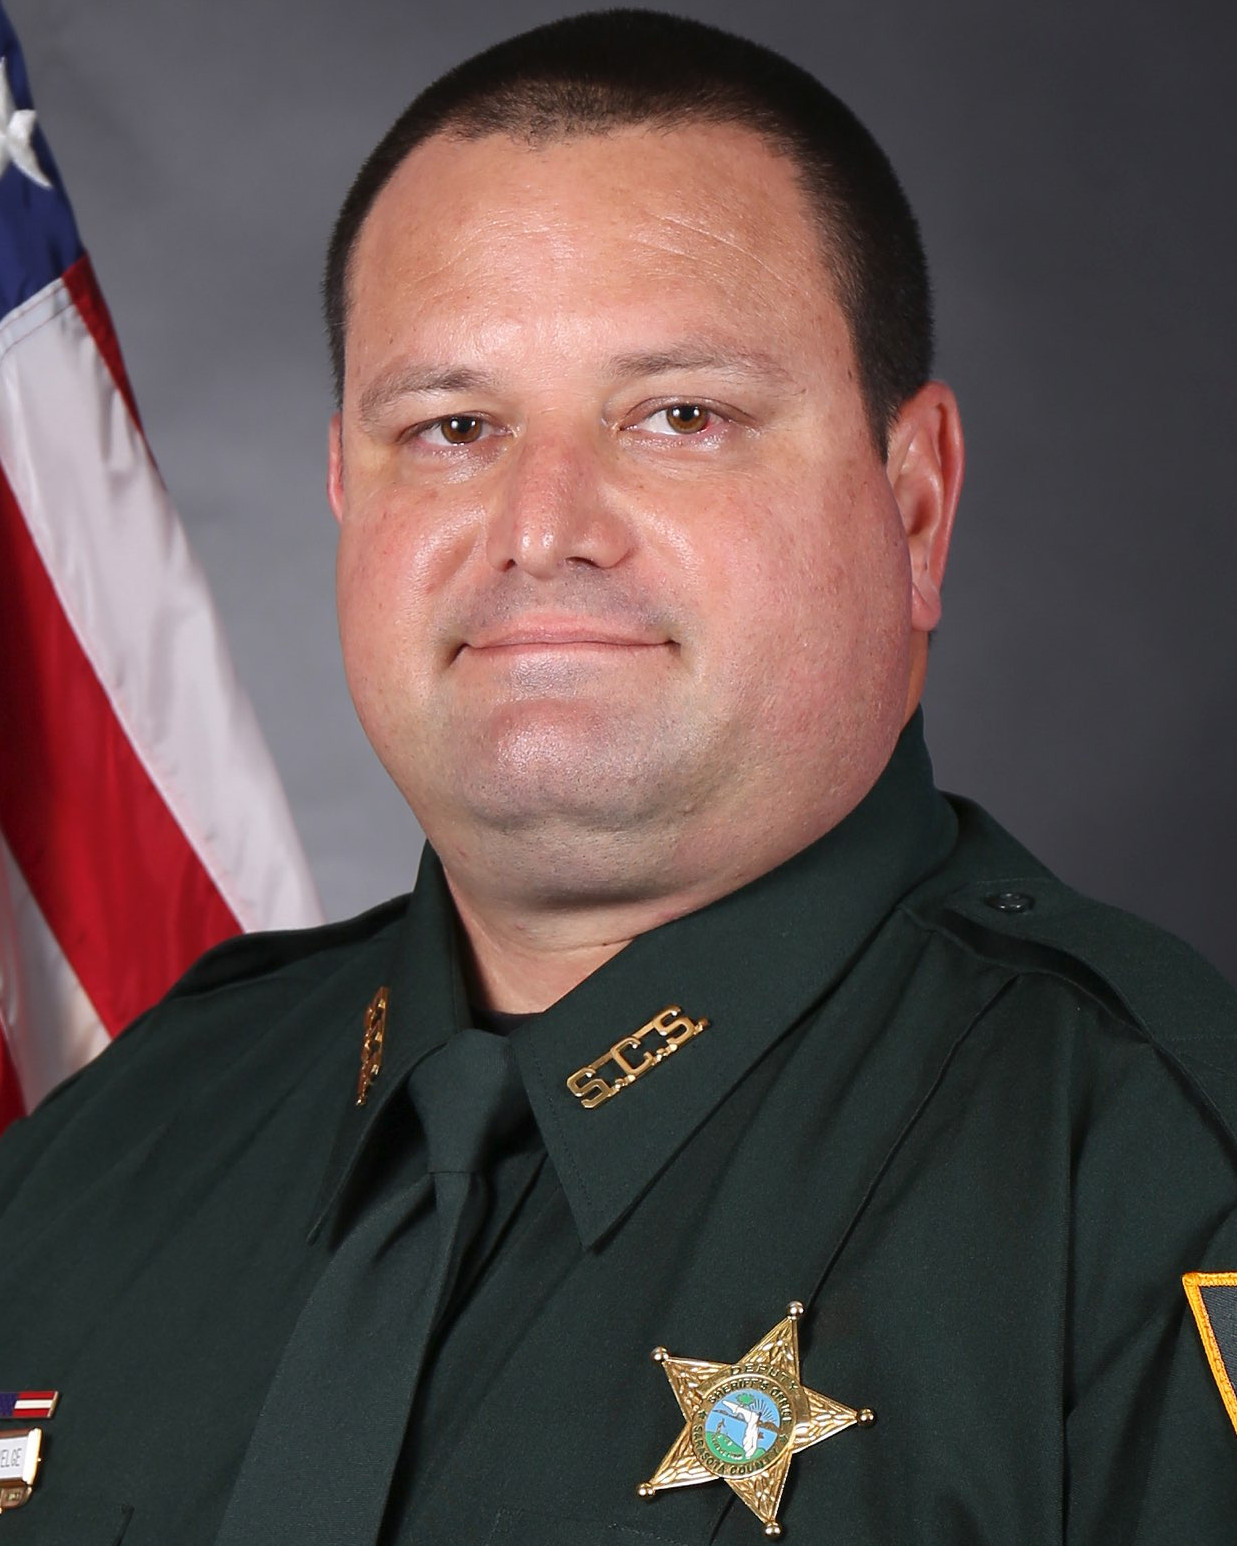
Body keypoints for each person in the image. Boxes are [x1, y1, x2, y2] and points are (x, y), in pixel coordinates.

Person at [1, 10, 1235, 1543]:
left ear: (913, 505)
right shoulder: (109, 1141)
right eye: (452, 426)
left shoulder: (1149, 1182)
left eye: (678, 416)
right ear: (342, 490)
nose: (543, 527)